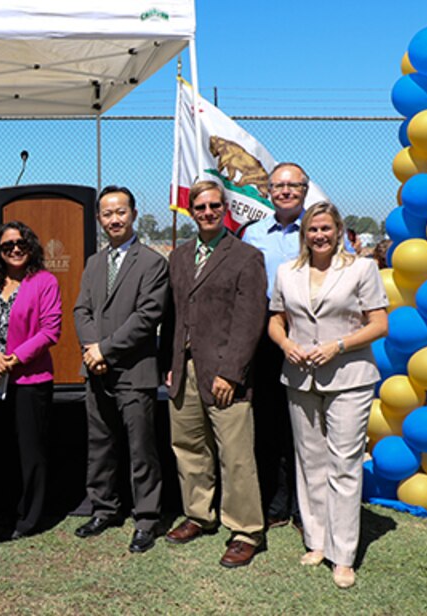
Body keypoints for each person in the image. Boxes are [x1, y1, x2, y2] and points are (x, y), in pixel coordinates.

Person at [267, 201, 388, 589]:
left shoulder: (361, 268)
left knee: (345, 464)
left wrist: (339, 345)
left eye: (325, 229)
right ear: (304, 234)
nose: (319, 235)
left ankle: (343, 554)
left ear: (338, 231)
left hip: (349, 377)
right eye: (312, 230)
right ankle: (317, 540)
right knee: (311, 462)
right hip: (300, 378)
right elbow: (276, 320)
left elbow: (379, 324)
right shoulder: (288, 272)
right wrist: (286, 345)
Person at [162, 180, 267, 568]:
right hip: (184, 369)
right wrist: (169, 366)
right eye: (200, 207)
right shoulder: (180, 255)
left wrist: (232, 373)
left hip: (224, 373)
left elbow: (249, 320)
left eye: (214, 206)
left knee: (235, 456)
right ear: (191, 211)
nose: (207, 212)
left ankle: (245, 530)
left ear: (226, 208)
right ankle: (199, 514)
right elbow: (172, 316)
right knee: (189, 448)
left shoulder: (246, 257)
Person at [72, 186, 168, 553]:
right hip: (96, 372)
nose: (114, 219)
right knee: (100, 446)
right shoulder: (95, 263)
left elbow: (147, 318)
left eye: (120, 212)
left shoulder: (153, 262)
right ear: (99, 218)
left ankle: (146, 518)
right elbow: (81, 310)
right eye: (107, 213)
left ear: (133, 214)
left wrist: (104, 349)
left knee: (141, 449)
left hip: (134, 372)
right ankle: (104, 508)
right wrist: (92, 349)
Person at [0, 221, 60, 540]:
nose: (15, 249)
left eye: (21, 243)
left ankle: (29, 517)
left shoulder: (44, 282)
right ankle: (6, 510)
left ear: (31, 246)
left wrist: (14, 358)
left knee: (30, 452)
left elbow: (50, 330)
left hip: (31, 380)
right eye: (7, 246)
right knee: (3, 449)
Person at [242, 162, 311, 530]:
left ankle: (305, 507)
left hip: (309, 338)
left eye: (293, 185)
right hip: (266, 338)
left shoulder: (319, 230)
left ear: (305, 189)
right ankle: (276, 503)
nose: (285, 191)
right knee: (269, 423)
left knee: (305, 426)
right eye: (278, 186)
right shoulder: (253, 234)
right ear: (268, 191)